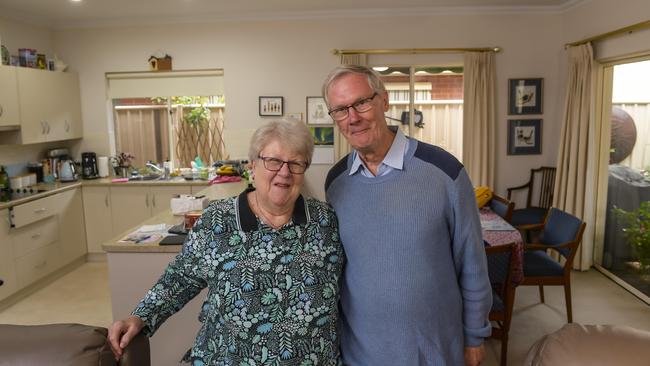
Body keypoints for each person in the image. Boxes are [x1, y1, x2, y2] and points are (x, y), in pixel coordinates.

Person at [108, 120, 345, 365]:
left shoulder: (325, 221)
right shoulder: (218, 220)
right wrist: (140, 316)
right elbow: (181, 278)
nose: (284, 172)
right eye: (273, 161)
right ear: (253, 165)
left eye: (295, 163)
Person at [322, 65, 491, 366]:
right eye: (340, 109)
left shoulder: (444, 172)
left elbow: (472, 261)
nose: (353, 118)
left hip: (434, 349)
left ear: (384, 101)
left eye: (361, 102)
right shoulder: (336, 183)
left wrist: (474, 336)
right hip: (361, 353)